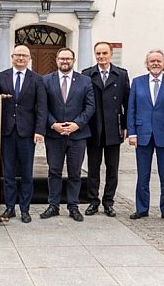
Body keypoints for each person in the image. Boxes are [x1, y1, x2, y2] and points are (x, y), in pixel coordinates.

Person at [41, 48, 95, 222]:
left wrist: (76, 124)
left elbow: (90, 107)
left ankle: (73, 206)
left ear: (73, 60)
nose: (65, 61)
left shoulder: (85, 81)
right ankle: (53, 205)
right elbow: (42, 106)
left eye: (68, 59)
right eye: (62, 58)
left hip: (77, 136)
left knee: (75, 173)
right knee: (54, 171)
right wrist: (53, 124)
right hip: (54, 134)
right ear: (56, 60)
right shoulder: (46, 80)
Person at [127, 49, 164, 223]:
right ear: (147, 64)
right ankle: (142, 208)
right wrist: (132, 132)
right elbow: (131, 109)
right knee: (143, 175)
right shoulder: (138, 82)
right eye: (152, 61)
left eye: (159, 61)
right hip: (143, 135)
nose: (155, 64)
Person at [0, 45, 46, 223]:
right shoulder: (2, 77)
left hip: (27, 133)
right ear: (12, 57)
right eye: (18, 55)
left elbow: (41, 107)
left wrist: (39, 130)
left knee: (26, 173)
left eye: (24, 56)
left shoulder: (37, 79)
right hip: (7, 132)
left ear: (29, 58)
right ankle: (10, 207)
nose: (21, 58)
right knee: (8, 172)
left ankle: (25, 209)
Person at [82, 41, 130, 217]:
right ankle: (93, 201)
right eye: (98, 54)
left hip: (113, 127)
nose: (101, 57)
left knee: (112, 168)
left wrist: (125, 126)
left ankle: (108, 202)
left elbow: (127, 102)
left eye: (104, 53)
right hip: (94, 127)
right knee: (93, 168)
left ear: (111, 54)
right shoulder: (87, 74)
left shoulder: (121, 75)